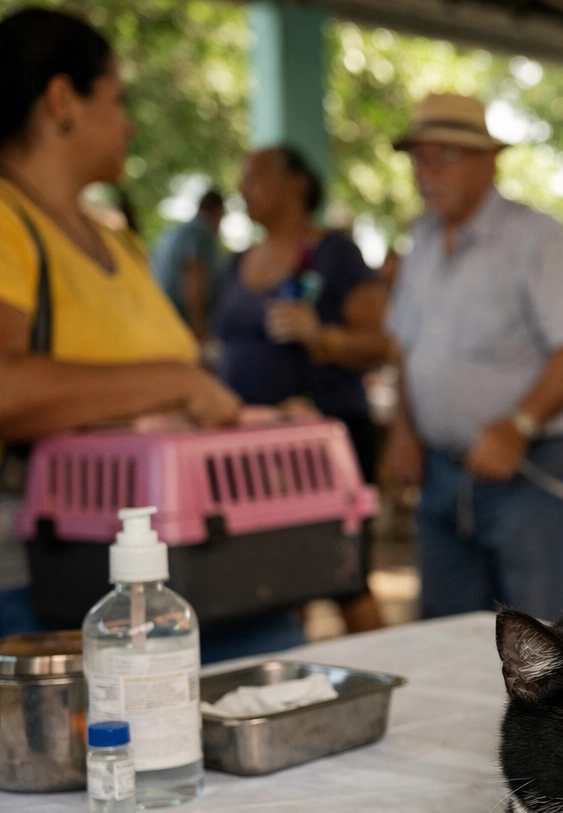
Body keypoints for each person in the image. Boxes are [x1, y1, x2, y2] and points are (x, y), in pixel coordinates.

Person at [0, 8, 241, 638]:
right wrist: (177, 382)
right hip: (53, 581)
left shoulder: (118, 240)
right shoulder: (7, 223)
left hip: (176, 565)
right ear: (62, 100)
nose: (130, 123)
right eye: (118, 99)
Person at [385, 93, 563, 623]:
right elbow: (404, 346)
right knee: (447, 638)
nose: (427, 171)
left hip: (532, 471)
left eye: (445, 155)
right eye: (419, 157)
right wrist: (404, 429)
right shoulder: (421, 239)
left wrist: (518, 424)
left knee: (552, 642)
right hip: (443, 473)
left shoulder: (538, 239)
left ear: (488, 161)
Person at [210, 144, 391, 637]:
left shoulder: (336, 254)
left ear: (296, 183)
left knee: (344, 574)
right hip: (248, 443)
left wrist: (323, 336)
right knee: (269, 577)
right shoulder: (236, 262)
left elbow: (381, 343)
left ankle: (383, 677)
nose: (245, 190)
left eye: (256, 177)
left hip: (325, 439)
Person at [151, 189, 223, 342]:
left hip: (159, 316)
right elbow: (194, 278)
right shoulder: (201, 231)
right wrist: (199, 326)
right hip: (180, 323)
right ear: (218, 212)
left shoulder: (175, 231)